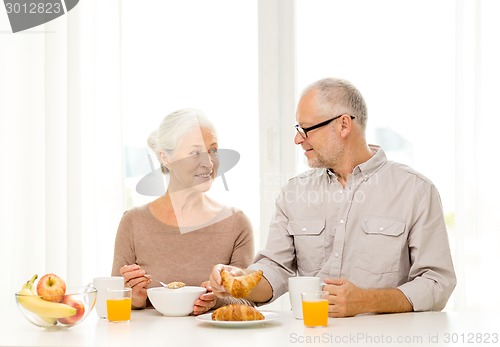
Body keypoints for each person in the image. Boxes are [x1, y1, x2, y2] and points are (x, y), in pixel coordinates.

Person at [210, 77, 456, 317]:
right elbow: (275, 268)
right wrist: (241, 281)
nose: (298, 139)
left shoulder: (416, 190)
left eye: (305, 129)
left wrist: (367, 300)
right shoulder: (294, 192)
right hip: (311, 337)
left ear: (344, 125)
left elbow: (437, 282)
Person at [112, 108, 254, 315]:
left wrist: (216, 300)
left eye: (213, 150)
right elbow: (115, 299)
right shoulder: (133, 222)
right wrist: (135, 298)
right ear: (165, 157)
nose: (208, 163)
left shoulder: (236, 224)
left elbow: (249, 303)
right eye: (195, 153)